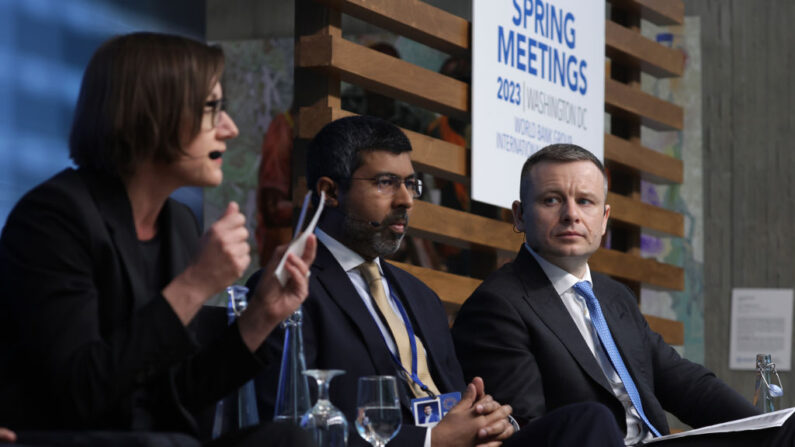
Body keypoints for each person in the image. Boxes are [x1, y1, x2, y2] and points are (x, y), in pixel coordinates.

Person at [0, 32, 315, 446]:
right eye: (212, 109)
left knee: (288, 439)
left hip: (154, 441)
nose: (230, 128)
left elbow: (175, 399)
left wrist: (261, 316)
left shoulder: (179, 223)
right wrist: (195, 284)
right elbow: (80, 394)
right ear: (154, 113)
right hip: (63, 437)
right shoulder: (53, 218)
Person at [247, 116, 626, 447]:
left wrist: (488, 420)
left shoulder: (419, 296)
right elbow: (292, 426)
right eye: (385, 182)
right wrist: (432, 440)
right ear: (330, 192)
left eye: (411, 184)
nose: (406, 200)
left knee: (587, 421)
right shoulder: (283, 291)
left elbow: (452, 398)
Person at [451, 143, 795, 446]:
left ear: (603, 219)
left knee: (788, 429)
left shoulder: (614, 296)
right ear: (520, 215)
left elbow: (686, 384)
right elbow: (532, 429)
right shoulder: (497, 305)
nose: (571, 214)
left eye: (585, 201)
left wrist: (759, 427)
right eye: (552, 200)